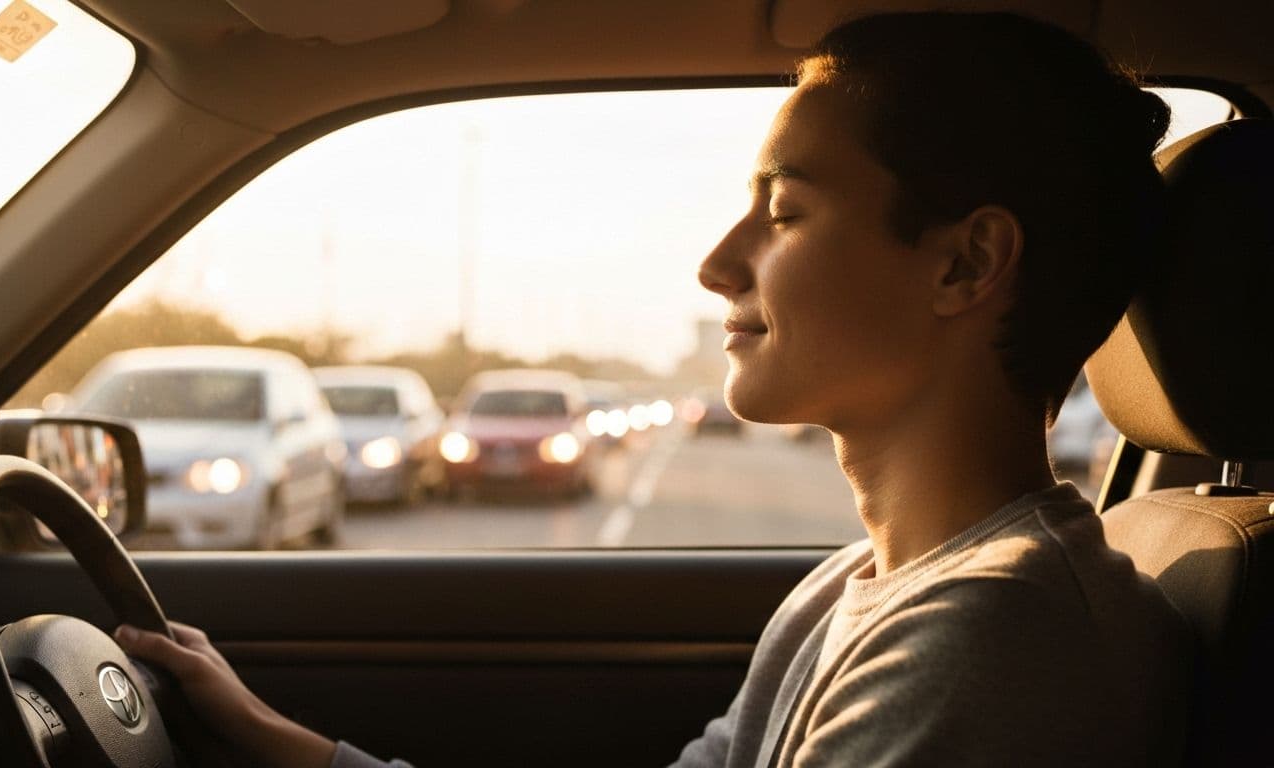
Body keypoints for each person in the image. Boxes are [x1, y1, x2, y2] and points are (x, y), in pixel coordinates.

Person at [114, 11, 1191, 767]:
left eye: (782, 213)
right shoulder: (866, 586)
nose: (718, 265)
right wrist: (277, 741)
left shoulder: (988, 639)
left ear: (963, 264)